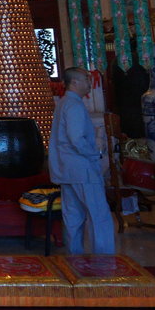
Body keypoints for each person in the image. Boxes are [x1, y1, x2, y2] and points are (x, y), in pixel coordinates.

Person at [49, 67, 115, 254]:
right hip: (82, 168)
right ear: (75, 83)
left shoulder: (64, 103)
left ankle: (74, 259)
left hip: (68, 169)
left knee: (73, 216)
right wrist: (94, 154)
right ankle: (104, 261)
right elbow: (76, 138)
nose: (89, 83)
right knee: (98, 215)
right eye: (86, 79)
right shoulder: (74, 105)